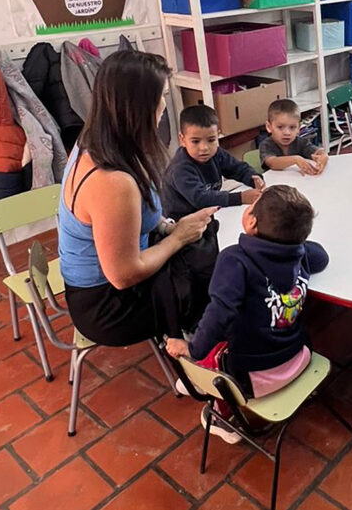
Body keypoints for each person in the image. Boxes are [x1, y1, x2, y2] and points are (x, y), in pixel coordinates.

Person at [58, 50, 217, 348]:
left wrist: (167, 227)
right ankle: (196, 347)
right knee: (219, 282)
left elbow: (137, 217)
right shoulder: (111, 181)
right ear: (138, 106)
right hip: (108, 306)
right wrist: (178, 237)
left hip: (112, 280)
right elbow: (124, 275)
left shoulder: (98, 142)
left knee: (207, 241)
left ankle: (192, 331)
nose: (164, 106)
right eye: (162, 96)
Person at [166, 185, 329, 443]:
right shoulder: (298, 253)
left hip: (253, 380)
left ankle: (221, 416)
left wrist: (192, 349)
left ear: (251, 221)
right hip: (300, 357)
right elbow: (322, 257)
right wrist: (296, 242)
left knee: (211, 343)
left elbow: (219, 314)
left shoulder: (234, 260)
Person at [161, 105, 264, 222]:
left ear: (218, 135)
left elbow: (237, 168)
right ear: (182, 139)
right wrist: (240, 198)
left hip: (206, 215)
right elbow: (200, 198)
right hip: (180, 223)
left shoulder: (216, 154)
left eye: (211, 140)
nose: (204, 148)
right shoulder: (180, 168)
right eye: (195, 141)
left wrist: (253, 178)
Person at [260, 99, 328, 175]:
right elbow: (272, 163)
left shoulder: (301, 142)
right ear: (269, 127)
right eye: (280, 127)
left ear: (299, 128)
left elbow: (317, 151)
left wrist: (323, 155)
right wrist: (295, 159)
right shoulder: (266, 145)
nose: (287, 133)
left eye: (292, 127)